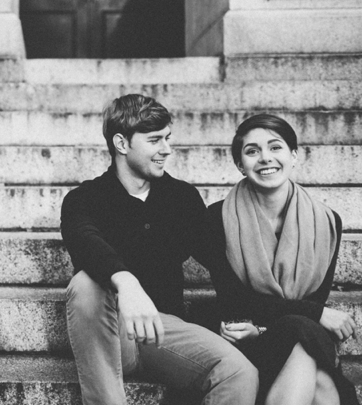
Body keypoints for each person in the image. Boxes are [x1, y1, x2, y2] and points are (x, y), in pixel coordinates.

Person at [61, 94, 258, 405]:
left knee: (240, 372)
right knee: (85, 284)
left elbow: (218, 260)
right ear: (121, 144)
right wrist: (126, 283)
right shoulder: (85, 198)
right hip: (111, 331)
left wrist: (240, 317)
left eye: (168, 138)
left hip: (163, 331)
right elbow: (85, 240)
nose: (167, 149)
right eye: (154, 140)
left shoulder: (181, 198)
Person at [206, 114, 359, 405]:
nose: (265, 158)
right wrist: (318, 314)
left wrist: (309, 315)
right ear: (240, 165)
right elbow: (235, 301)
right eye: (252, 151)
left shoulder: (327, 222)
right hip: (249, 341)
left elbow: (312, 303)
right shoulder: (217, 219)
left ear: (293, 155)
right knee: (321, 381)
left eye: (275, 147)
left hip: (288, 330)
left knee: (301, 333)